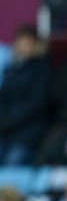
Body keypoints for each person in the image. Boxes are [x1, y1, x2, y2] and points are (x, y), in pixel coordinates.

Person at [0, 26, 51, 165]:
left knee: (11, 171)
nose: (24, 46)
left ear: (37, 45)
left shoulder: (43, 69)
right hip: (7, 131)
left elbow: (37, 103)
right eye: (21, 42)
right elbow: (4, 96)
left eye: (29, 42)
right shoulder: (12, 69)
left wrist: (8, 120)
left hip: (28, 133)